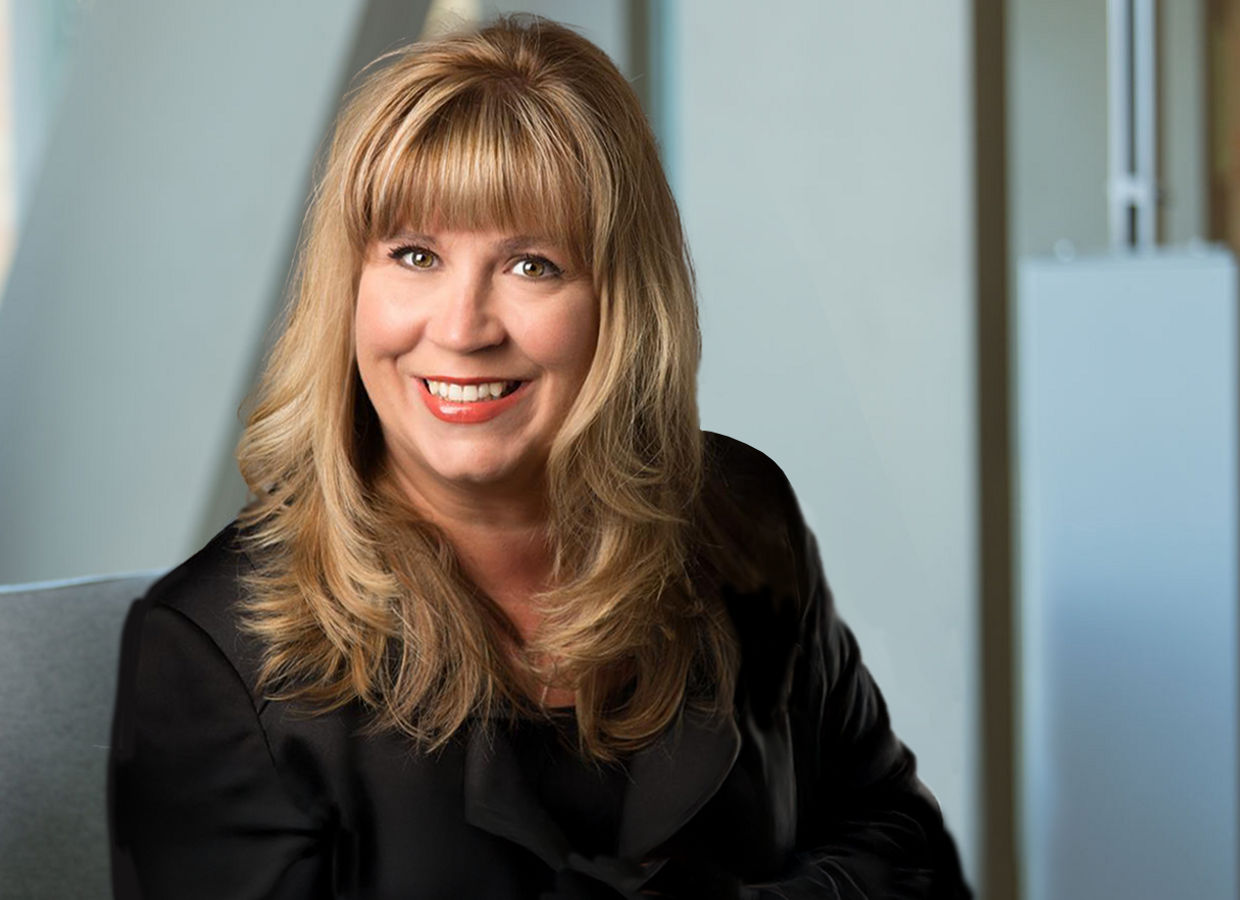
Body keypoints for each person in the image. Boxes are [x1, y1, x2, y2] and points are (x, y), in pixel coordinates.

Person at [107, 15, 971, 900]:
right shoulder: (215, 653)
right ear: (349, 293)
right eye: (415, 255)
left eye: (532, 266)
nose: (462, 328)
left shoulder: (738, 514)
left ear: (622, 300)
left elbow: (899, 847)